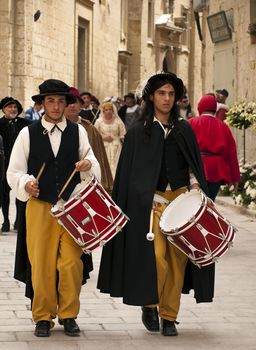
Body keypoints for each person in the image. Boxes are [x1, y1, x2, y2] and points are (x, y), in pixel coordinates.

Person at [97, 72, 215, 337]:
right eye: (161, 93)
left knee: (177, 262)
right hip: (153, 205)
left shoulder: (184, 128)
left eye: (171, 94)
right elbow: (130, 174)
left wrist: (196, 186)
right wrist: (144, 197)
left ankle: (169, 316)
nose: (167, 98)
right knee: (156, 259)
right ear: (151, 96)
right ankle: (149, 303)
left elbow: (193, 165)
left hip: (182, 202)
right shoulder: (139, 131)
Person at [7, 79, 101, 337]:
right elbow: (14, 171)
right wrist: (26, 183)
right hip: (40, 208)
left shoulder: (78, 131)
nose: (56, 106)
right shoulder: (27, 134)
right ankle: (43, 317)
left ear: (67, 104)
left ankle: (69, 315)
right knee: (41, 265)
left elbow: (92, 160)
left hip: (72, 209)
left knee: (71, 263)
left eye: (61, 101)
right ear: (42, 104)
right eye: (51, 101)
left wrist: (87, 166)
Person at [188, 94, 240, 201]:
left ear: (200, 107)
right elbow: (232, 154)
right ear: (215, 109)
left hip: (196, 167)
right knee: (210, 201)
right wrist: (235, 178)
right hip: (216, 170)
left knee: (196, 203)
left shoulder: (191, 123)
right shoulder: (223, 126)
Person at [66, 87, 113, 192]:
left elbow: (99, 156)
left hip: (87, 180)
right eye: (69, 102)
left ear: (81, 106)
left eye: (76, 102)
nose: (72, 105)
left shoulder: (89, 128)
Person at [0, 96, 29, 232]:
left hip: (22, 162)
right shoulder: (0, 124)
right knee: (5, 194)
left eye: (14, 107)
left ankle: (19, 220)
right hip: (4, 163)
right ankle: (5, 220)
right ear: (3, 110)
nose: (13, 109)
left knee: (20, 191)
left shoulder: (25, 123)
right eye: (9, 107)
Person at [94, 101, 126, 178]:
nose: (108, 111)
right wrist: (103, 138)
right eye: (106, 110)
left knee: (116, 165)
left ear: (113, 110)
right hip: (103, 147)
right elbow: (95, 135)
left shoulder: (118, 121)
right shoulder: (99, 122)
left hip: (116, 147)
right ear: (103, 111)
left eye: (110, 109)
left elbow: (123, 134)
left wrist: (120, 139)